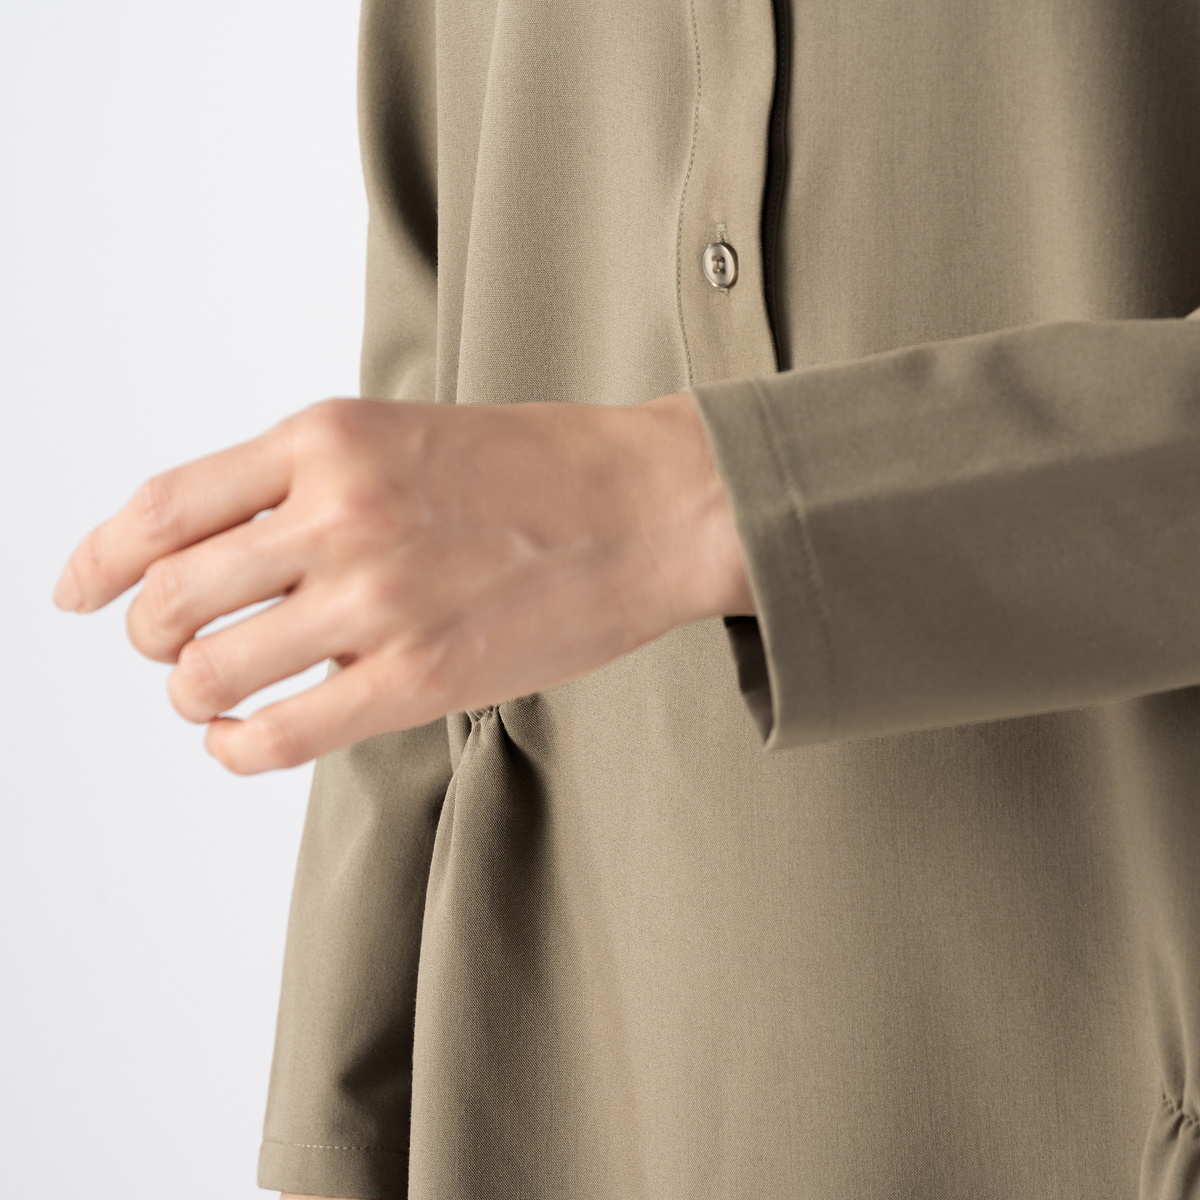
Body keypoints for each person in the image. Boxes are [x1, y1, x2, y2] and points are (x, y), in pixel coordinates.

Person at [56, 1, 1200, 1197]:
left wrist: (703, 497)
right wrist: (342, 1126)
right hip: (552, 1064)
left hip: (1111, 1056)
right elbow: (427, 383)